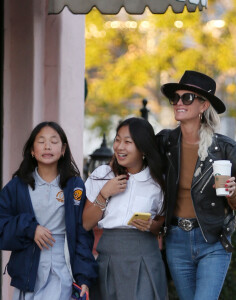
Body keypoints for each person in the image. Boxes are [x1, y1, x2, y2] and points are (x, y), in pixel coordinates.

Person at [0, 121, 97, 300]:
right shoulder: (17, 186)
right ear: (32, 150)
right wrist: (30, 228)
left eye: (54, 141)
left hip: (62, 269)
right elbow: (1, 228)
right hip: (28, 273)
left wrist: (84, 277)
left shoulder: (75, 186)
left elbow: (82, 234)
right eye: (41, 141)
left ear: (63, 149)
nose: (47, 146)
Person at [157, 70, 236, 300]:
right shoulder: (165, 142)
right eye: (176, 98)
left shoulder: (226, 149)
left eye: (187, 98)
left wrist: (233, 193)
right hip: (176, 240)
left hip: (212, 239)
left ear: (203, 106)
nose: (179, 102)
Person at [83, 117, 168, 300]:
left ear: (143, 148)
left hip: (145, 258)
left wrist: (150, 225)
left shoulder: (157, 182)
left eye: (128, 142)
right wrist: (104, 194)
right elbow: (86, 223)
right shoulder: (102, 175)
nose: (120, 147)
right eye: (117, 139)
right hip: (109, 259)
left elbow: (161, 225)